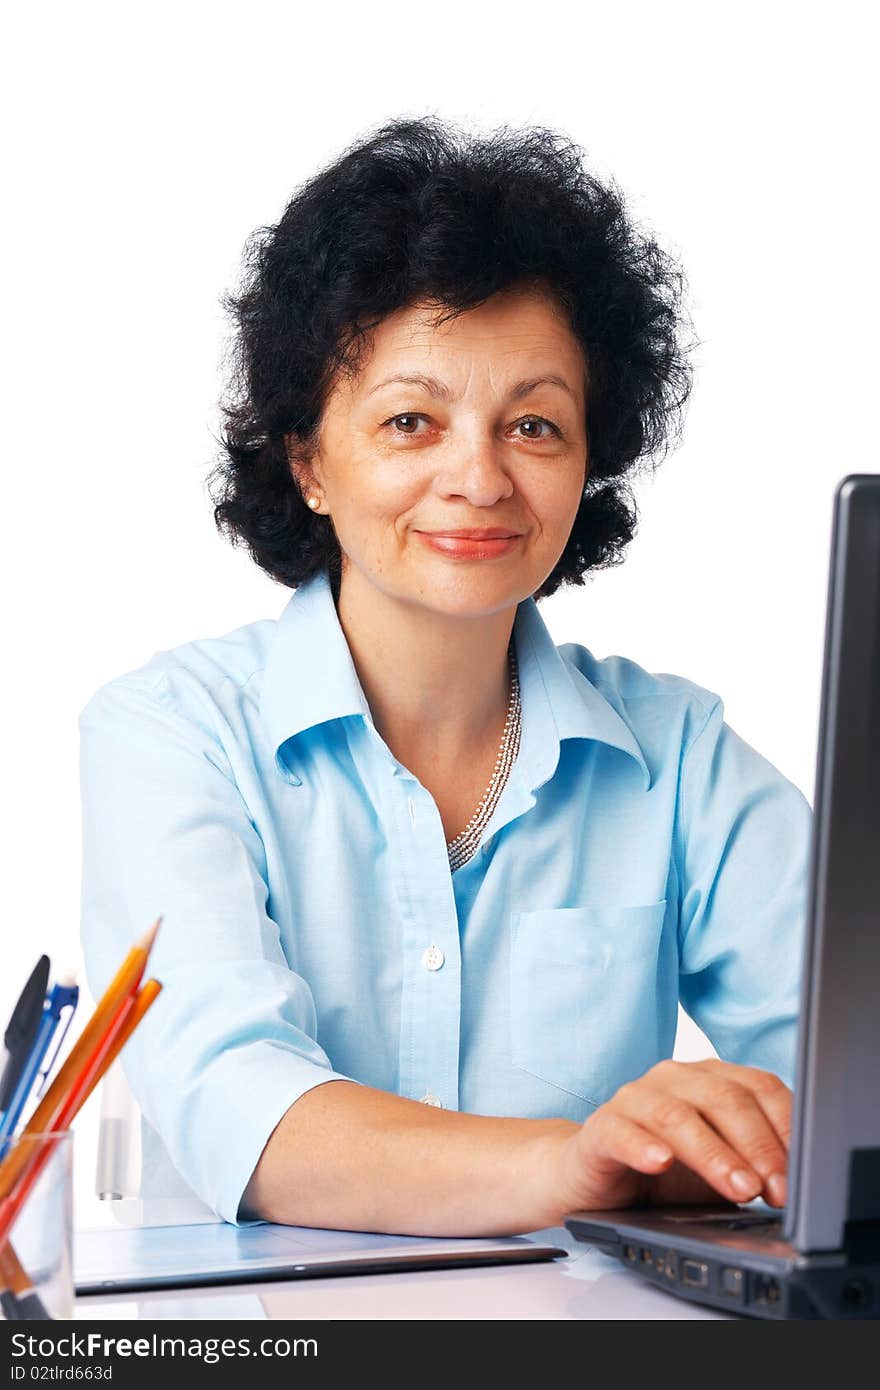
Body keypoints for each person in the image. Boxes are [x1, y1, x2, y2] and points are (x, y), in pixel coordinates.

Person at [78, 116, 812, 1236]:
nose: (477, 477)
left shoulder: (681, 754)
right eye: (411, 420)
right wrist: (590, 1157)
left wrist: (725, 1136)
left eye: (533, 423)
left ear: (587, 462)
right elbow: (246, 1114)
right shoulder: (170, 734)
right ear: (309, 459)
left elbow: (849, 1078)